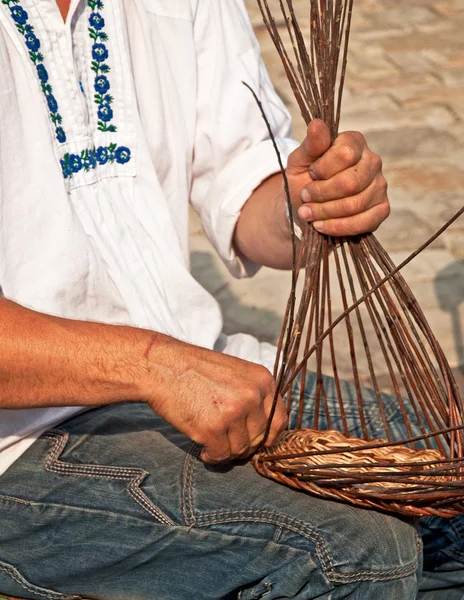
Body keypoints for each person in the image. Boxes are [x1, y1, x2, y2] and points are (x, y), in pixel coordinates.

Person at [0, 0, 461, 598]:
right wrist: (157, 365)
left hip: (194, 370)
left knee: (442, 484)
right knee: (353, 555)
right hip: (21, 441)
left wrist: (310, 203)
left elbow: (242, 183)